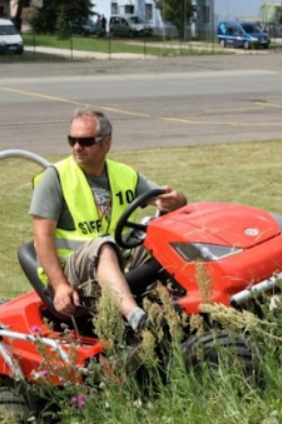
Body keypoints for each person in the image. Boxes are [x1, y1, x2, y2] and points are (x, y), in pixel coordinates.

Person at [29, 108, 187, 332]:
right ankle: (135, 318)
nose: (77, 147)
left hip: (116, 258)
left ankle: (193, 298)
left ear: (106, 142)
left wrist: (177, 199)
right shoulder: (54, 178)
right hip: (74, 271)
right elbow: (41, 236)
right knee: (104, 245)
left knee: (158, 232)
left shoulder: (124, 174)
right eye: (72, 140)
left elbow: (166, 198)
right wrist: (60, 286)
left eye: (85, 141)